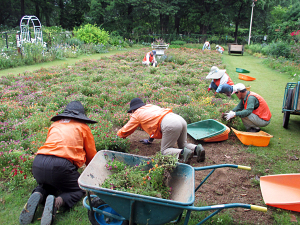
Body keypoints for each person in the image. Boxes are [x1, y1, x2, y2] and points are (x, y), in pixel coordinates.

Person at [19, 101, 97, 225]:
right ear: (81, 115)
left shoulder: (55, 125)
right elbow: (91, 155)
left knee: (49, 185)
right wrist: (93, 176)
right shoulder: (83, 127)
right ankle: (58, 202)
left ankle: (39, 194)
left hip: (39, 163)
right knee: (80, 188)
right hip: (60, 166)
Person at [117, 98, 205, 164]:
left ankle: (183, 153)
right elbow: (154, 125)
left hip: (170, 124)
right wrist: (149, 140)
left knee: (165, 151)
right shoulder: (150, 106)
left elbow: (125, 130)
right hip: (179, 119)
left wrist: (117, 137)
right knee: (183, 144)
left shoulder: (136, 114)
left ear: (133, 109)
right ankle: (197, 148)